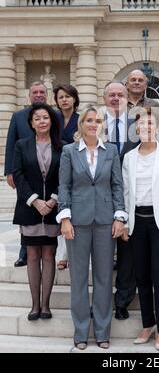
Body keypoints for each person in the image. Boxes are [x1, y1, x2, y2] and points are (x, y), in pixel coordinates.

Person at [57, 107, 126, 351]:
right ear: (81, 124)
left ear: (102, 125)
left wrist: (120, 216)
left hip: (107, 221)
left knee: (104, 278)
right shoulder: (69, 152)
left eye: (97, 120)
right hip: (77, 220)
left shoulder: (112, 151)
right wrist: (65, 218)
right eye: (89, 120)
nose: (93, 124)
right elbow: (64, 186)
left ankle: (102, 331)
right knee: (78, 278)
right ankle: (81, 332)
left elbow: (118, 186)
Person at [122, 108, 159, 351]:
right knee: (142, 276)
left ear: (157, 128)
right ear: (136, 129)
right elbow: (126, 192)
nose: (146, 128)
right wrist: (125, 222)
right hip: (137, 221)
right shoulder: (129, 157)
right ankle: (147, 324)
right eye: (142, 124)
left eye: (151, 124)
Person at [12, 103, 62, 321]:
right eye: (37, 118)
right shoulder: (22, 145)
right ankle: (34, 306)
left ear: (51, 121)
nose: (42, 121)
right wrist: (34, 201)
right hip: (28, 207)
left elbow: (66, 177)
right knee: (32, 255)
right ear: (31, 123)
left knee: (49, 254)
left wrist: (52, 200)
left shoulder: (63, 146)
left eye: (45, 117)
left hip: (53, 208)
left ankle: (46, 305)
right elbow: (18, 175)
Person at [103, 81, 140, 321]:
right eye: (112, 95)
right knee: (103, 255)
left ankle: (123, 301)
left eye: (120, 94)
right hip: (100, 199)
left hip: (131, 198)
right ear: (105, 98)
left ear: (128, 98)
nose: (116, 98)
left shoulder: (138, 125)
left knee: (128, 255)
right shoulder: (94, 123)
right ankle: (102, 301)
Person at [5, 82, 48, 267]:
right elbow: (10, 143)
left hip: (48, 175)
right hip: (24, 175)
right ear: (29, 96)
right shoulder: (18, 116)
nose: (38, 95)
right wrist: (9, 171)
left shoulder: (52, 116)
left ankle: (49, 251)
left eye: (42, 92)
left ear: (47, 95)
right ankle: (25, 252)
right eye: (35, 92)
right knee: (26, 213)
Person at [53, 84, 80, 271]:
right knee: (61, 211)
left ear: (74, 99)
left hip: (76, 169)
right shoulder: (53, 119)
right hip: (55, 169)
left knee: (72, 212)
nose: (64, 100)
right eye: (61, 97)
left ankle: (73, 254)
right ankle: (61, 254)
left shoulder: (80, 119)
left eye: (68, 96)